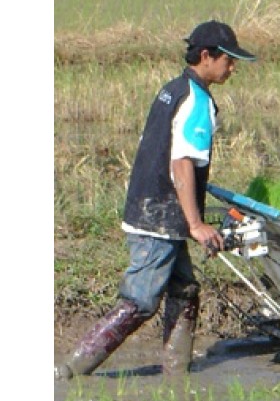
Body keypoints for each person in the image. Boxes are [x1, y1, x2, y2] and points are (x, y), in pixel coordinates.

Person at [55, 20, 257, 379]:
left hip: (153, 205)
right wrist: (196, 224)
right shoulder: (196, 101)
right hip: (160, 215)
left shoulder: (173, 89)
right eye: (229, 60)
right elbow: (181, 164)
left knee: (185, 290)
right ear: (206, 56)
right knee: (140, 301)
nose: (233, 68)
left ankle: (176, 373)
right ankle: (70, 371)